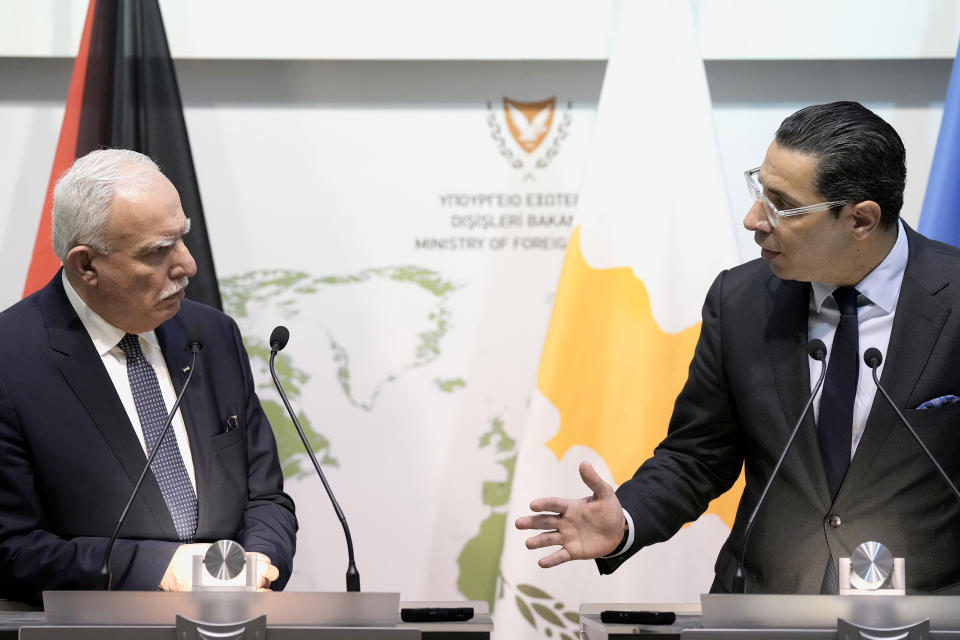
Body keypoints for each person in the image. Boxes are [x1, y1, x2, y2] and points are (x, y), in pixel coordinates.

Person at [516, 101, 960, 594]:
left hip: (927, 611)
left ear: (860, 220)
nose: (754, 219)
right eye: (759, 190)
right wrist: (627, 520)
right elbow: (698, 454)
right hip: (764, 605)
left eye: (782, 205)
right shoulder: (740, 301)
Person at [0, 149, 297, 604]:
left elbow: (265, 498)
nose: (187, 266)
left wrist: (259, 562)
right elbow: (11, 548)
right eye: (158, 251)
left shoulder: (212, 336)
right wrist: (157, 568)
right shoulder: (11, 359)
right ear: (86, 265)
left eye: (181, 238)